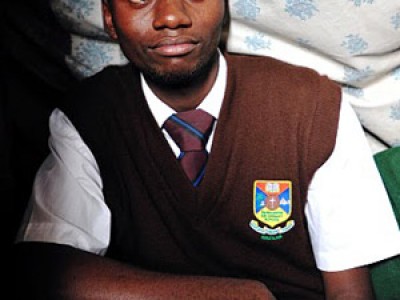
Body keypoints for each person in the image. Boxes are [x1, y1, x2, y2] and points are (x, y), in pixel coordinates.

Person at [12, 0, 400, 299]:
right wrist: (239, 295)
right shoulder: (90, 114)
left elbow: (349, 289)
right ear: (110, 18)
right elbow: (46, 268)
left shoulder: (311, 105)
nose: (170, 17)